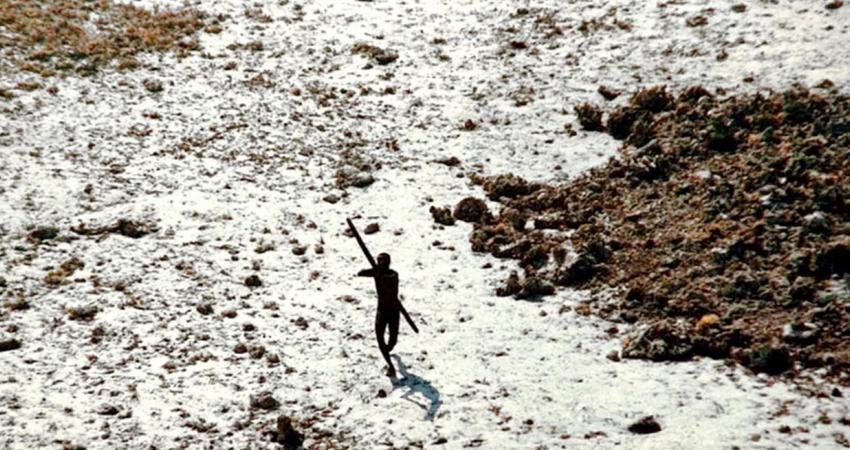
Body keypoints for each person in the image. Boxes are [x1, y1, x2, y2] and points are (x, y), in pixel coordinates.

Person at [356, 252, 401, 377]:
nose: (379, 263)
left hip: (393, 311)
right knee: (380, 337)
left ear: (387, 262)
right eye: (378, 261)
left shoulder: (393, 274)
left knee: (392, 341)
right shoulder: (376, 272)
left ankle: (387, 351)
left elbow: (390, 282)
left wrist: (378, 274)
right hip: (381, 311)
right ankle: (390, 365)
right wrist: (369, 272)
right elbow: (362, 273)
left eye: (382, 261)